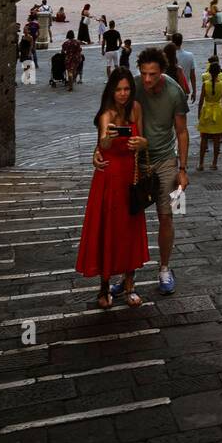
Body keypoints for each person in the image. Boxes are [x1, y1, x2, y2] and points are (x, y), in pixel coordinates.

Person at [98, 47, 189, 297]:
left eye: (154, 74)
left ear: (162, 72)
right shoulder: (132, 86)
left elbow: (181, 132)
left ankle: (164, 268)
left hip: (165, 160)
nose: (148, 79)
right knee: (127, 220)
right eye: (144, 73)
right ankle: (127, 275)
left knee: (167, 215)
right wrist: (100, 150)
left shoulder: (175, 92)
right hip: (133, 160)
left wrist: (183, 169)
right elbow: (110, 114)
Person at [76, 69, 149, 309]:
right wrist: (107, 138)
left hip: (131, 176)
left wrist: (141, 143)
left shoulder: (136, 108)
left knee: (129, 230)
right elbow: (103, 145)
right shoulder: (106, 115)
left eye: (127, 89)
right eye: (118, 89)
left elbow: (144, 139)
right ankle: (104, 286)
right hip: (108, 178)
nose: (123, 94)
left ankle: (130, 284)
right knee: (107, 230)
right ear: (111, 90)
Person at [197, 56, 222, 170]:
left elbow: (201, 101)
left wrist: (199, 113)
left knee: (204, 138)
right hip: (218, 112)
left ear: (209, 72)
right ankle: (214, 162)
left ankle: (201, 163)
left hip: (207, 111)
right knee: (216, 139)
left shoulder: (205, 84)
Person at [171, 32, 197, 104]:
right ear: (181, 42)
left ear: (172, 42)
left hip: (170, 91)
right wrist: (194, 91)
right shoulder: (190, 55)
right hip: (183, 90)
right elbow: (192, 76)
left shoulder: (168, 56)